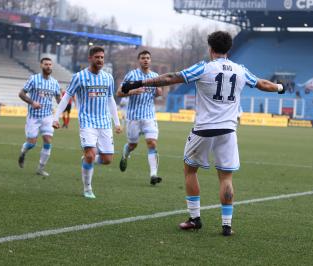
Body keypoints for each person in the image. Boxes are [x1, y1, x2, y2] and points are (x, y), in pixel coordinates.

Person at [121, 31, 285, 236]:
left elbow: (172, 77)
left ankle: (194, 218)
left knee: (190, 170)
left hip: (204, 129)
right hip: (228, 130)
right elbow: (262, 84)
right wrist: (280, 87)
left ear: (210, 48)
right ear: (229, 49)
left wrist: (140, 83)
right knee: (226, 177)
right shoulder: (240, 70)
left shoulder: (204, 67)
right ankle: (227, 225)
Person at [53, 46, 122, 199]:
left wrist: (116, 122)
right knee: (90, 155)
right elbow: (66, 98)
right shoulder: (79, 77)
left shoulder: (108, 78)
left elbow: (111, 100)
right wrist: (55, 118)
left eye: (102, 57)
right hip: (87, 122)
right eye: (97, 57)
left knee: (107, 160)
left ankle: (87, 159)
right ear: (90, 58)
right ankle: (87, 188)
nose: (100, 60)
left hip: (104, 123)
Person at [116, 50, 163, 185]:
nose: (146, 60)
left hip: (149, 116)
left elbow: (158, 94)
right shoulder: (131, 75)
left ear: (150, 60)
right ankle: (126, 153)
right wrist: (133, 91)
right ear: (139, 60)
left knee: (152, 143)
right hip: (133, 117)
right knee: (133, 144)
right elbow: (119, 93)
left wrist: (159, 89)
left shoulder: (155, 76)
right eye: (143, 58)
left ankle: (153, 175)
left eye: (148, 58)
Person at [18, 57, 61, 176]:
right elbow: (21, 94)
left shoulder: (55, 83)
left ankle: (40, 168)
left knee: (48, 140)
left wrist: (57, 117)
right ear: (41, 66)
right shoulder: (34, 79)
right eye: (46, 64)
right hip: (33, 117)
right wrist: (32, 102)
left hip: (48, 117)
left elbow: (59, 100)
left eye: (50, 64)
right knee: (31, 143)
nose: (48, 66)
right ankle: (23, 152)